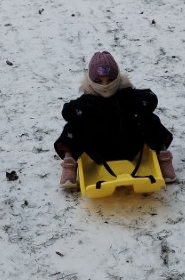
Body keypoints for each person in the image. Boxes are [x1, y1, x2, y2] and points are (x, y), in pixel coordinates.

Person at [54, 51, 176, 191]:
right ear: (91, 82)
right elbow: (67, 111)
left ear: (117, 78)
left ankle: (163, 155)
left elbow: (150, 97)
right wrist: (82, 112)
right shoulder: (87, 102)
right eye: (99, 81)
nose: (105, 85)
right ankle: (69, 162)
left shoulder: (127, 95)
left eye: (110, 80)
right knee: (73, 127)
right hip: (99, 150)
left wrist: (140, 106)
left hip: (128, 145)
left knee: (149, 119)